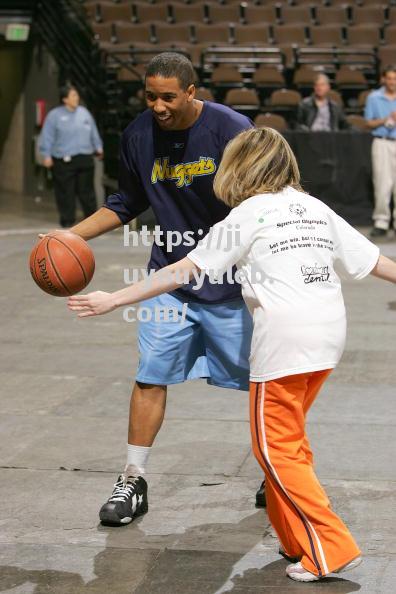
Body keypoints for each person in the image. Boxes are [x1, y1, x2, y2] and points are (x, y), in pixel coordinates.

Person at [69, 126, 396, 582]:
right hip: (327, 339)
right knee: (289, 444)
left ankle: (331, 547)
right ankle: (296, 541)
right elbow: (375, 262)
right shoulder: (313, 207)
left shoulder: (247, 215)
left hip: (285, 342)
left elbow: (181, 271)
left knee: (275, 450)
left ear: (240, 166)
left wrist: (113, 299)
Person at [49, 53, 263, 525]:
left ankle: (278, 468)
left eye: (169, 96)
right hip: (169, 279)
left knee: (264, 383)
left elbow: (261, 201)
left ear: (192, 92)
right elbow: (126, 202)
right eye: (151, 96)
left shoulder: (232, 131)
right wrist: (71, 236)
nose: (159, 106)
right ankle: (132, 479)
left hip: (233, 282)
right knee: (150, 376)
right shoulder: (138, 134)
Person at [39, 83, 103, 228]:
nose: (77, 98)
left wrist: (98, 147)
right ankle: (67, 220)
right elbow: (47, 136)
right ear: (65, 99)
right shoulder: (55, 116)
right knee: (65, 191)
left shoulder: (84, 113)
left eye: (76, 95)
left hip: (85, 158)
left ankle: (91, 220)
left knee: (86, 190)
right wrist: (46, 155)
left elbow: (93, 131)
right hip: (64, 160)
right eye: (73, 95)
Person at [364, 65, 396, 238]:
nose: (392, 82)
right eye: (390, 78)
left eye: (395, 78)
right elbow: (368, 123)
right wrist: (387, 119)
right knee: (382, 183)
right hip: (382, 142)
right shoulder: (374, 97)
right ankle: (381, 221)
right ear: (384, 79)